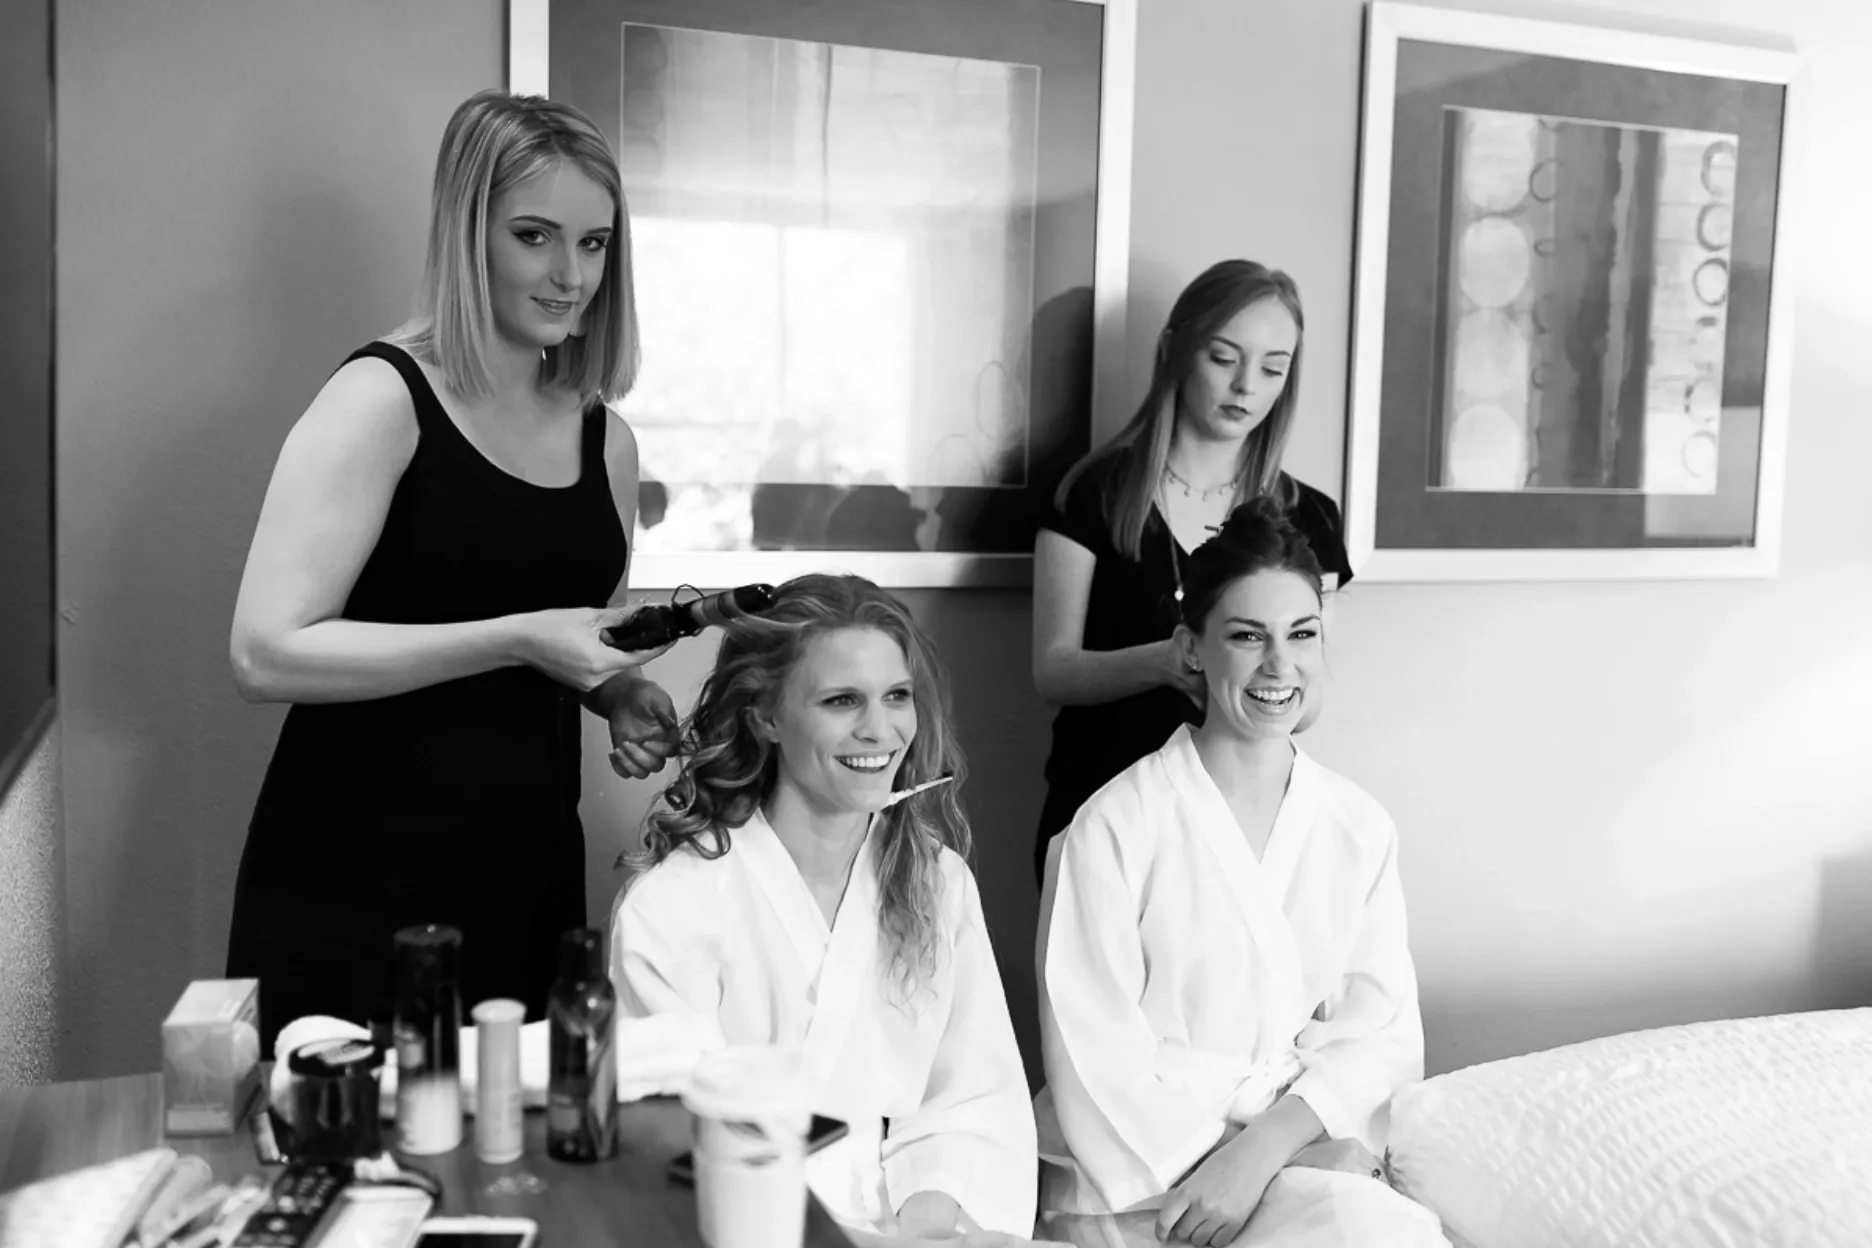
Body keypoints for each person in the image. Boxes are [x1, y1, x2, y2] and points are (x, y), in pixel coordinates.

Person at [224, 90, 680, 1053]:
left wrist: (621, 691)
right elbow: (264, 654)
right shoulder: (379, 398)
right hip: (354, 868)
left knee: (512, 1173)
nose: (570, 275)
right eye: (535, 236)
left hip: (526, 865)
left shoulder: (608, 442)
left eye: (595, 244)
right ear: (469, 232)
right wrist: (515, 636)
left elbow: (572, 640)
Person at [1032, 500, 1450, 1248]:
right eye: (1247, 637)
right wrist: (1228, 1168)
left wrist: (1267, 1152)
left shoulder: (1358, 828)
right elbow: (1093, 1055)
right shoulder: (1113, 828)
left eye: (1301, 635)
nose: (1278, 665)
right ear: (1193, 650)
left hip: (1302, 1151)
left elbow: (1381, 1036)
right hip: (1149, 1178)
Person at [610, 574, 1038, 1241]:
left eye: (897, 696)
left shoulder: (936, 881)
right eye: (842, 700)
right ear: (767, 717)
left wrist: (920, 1230)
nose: (880, 730)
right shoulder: (675, 905)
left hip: (911, 1220)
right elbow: (676, 1145)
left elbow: (972, 1102)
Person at [1029, 260, 1353, 886]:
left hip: (1246, 822)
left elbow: (1307, 698)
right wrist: (1167, 660)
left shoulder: (1309, 516)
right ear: (1177, 351)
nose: (1246, 387)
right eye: (1224, 357)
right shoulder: (1092, 494)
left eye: (1272, 368)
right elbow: (1053, 669)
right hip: (1101, 805)